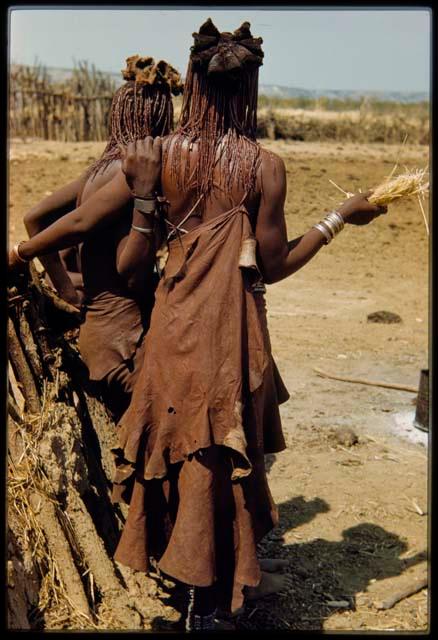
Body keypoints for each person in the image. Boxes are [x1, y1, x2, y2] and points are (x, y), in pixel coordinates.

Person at [106, 19, 388, 631]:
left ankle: (184, 590)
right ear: (250, 88)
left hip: (171, 335)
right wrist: (339, 216)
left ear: (196, 85)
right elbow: (277, 264)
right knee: (223, 454)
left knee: (179, 451)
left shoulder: (158, 156)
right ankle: (211, 607)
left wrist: (148, 199)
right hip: (233, 343)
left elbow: (131, 268)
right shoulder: (265, 168)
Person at [17, 55, 183, 420]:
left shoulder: (97, 171)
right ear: (160, 121)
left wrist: (67, 290)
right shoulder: (131, 176)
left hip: (96, 328)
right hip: (123, 340)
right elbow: (127, 270)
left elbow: (34, 217)